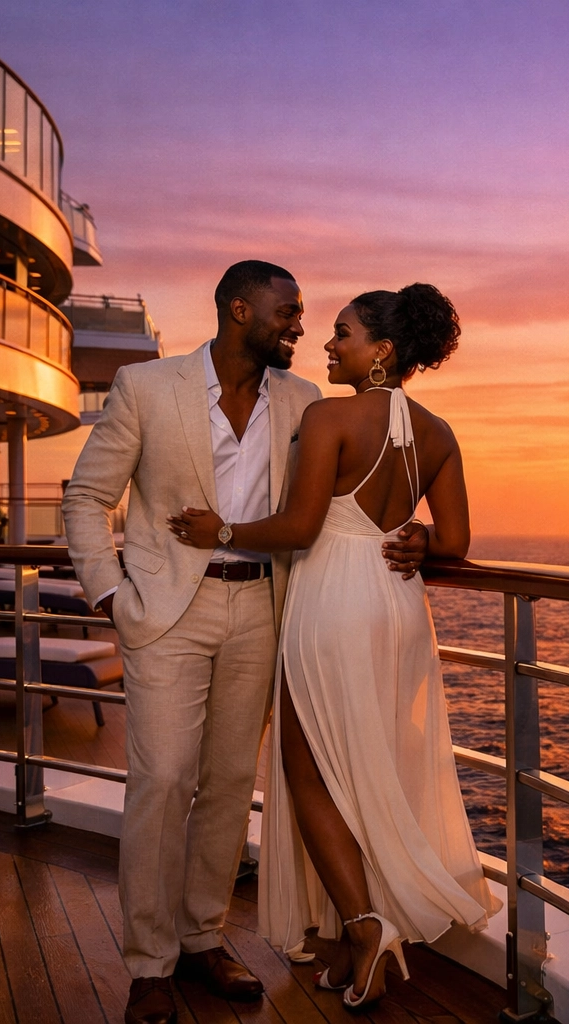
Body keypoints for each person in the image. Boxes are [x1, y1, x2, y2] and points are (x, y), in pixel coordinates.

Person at [62, 261, 429, 1024]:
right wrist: (110, 596)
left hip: (264, 610)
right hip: (166, 612)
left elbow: (341, 498)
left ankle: (201, 939)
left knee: (230, 785)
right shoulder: (146, 387)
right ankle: (149, 964)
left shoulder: (303, 401)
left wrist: (416, 534)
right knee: (163, 780)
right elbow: (87, 498)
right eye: (289, 312)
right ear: (239, 310)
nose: (301, 325)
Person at [168, 283, 498, 1011]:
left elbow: (298, 527)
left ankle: (364, 923)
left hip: (334, 603)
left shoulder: (330, 417)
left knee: (308, 770)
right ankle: (358, 944)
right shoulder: (439, 432)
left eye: (343, 333)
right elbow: (458, 542)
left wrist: (217, 531)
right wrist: (419, 537)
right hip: (398, 606)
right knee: (361, 761)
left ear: (381, 351)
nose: (327, 343)